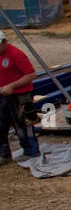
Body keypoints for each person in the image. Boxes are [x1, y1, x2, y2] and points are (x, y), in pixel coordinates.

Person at [0, 28, 39, 161]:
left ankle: (31, 151)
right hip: (3, 95)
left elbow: (31, 74)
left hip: (20, 96)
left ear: (4, 42)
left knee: (22, 124)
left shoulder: (16, 54)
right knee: (1, 124)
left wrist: (12, 86)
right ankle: (3, 154)